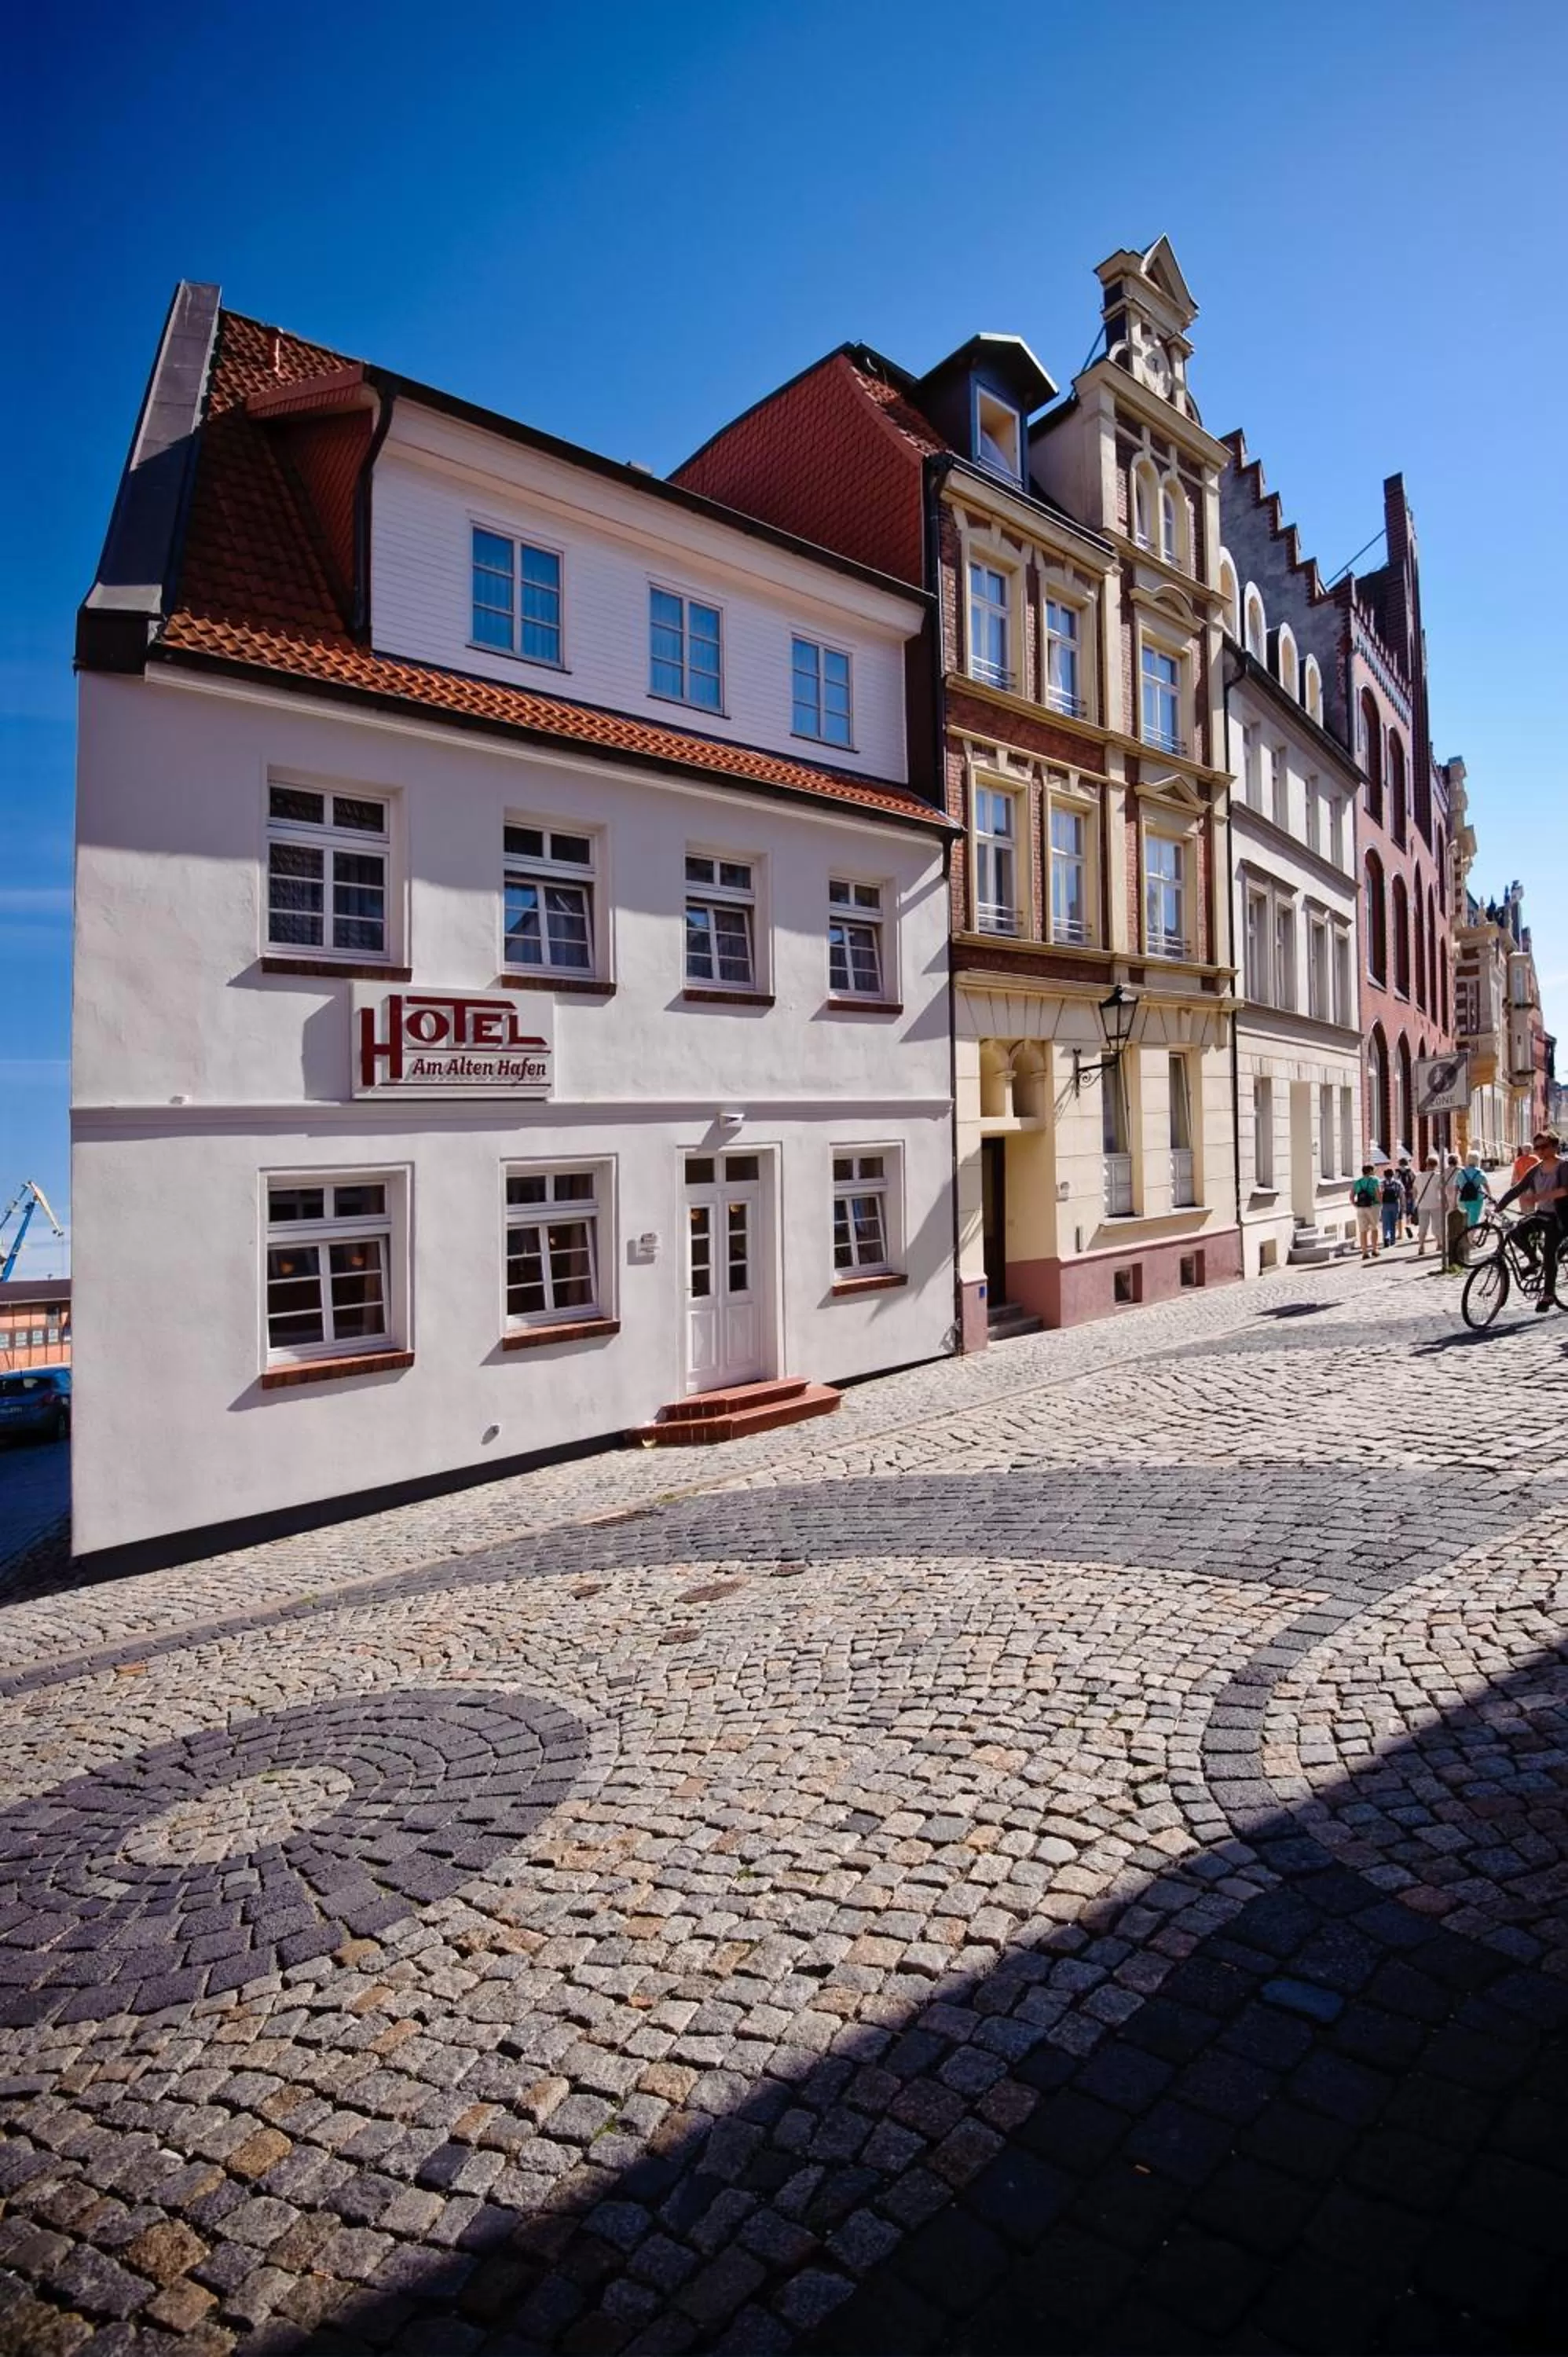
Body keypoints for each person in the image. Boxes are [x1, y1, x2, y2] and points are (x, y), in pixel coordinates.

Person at [1499, 1133, 1568, 1312]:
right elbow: (1518, 1188)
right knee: (1515, 1233)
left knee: (1550, 1253)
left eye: (1544, 1147)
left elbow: (1565, 1190)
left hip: (1560, 1218)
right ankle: (1533, 1260)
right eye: (1537, 1148)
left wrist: (1539, 1197)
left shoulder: (1563, 1166)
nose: (1540, 1151)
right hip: (1542, 1214)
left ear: (1554, 1147)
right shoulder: (1536, 1169)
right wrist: (1499, 1206)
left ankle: (1548, 1295)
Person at [1413, 1154, 1445, 1258]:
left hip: (1422, 1205)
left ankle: (1421, 1246)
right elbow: (1442, 1190)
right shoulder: (1438, 1176)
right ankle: (1439, 1243)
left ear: (1427, 1164)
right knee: (1437, 1225)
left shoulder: (1419, 1176)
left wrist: (1416, 1201)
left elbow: (1414, 1191)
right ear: (1436, 1165)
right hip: (1436, 1204)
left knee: (1423, 1226)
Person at [1351, 1164, 1383, 1259]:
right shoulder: (1375, 1180)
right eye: (1373, 1170)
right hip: (1373, 1206)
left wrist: (1356, 1205)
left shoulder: (1358, 1182)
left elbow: (1352, 1196)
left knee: (1363, 1230)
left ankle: (1364, 1252)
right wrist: (1380, 1203)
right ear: (1370, 1171)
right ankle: (1374, 1249)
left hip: (1361, 1208)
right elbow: (1378, 1193)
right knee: (1374, 1228)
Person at [1455, 1152, 1489, 1231]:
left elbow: (1456, 1187)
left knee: (1465, 1221)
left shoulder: (1461, 1173)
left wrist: (1454, 1201)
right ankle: (1470, 1237)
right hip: (1476, 1200)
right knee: (1473, 1223)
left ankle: (1465, 1235)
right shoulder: (1480, 1173)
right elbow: (1486, 1186)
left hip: (1463, 1200)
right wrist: (1490, 1196)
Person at [1379, 1164, 1403, 1250]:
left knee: (1386, 1223)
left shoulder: (1382, 1183)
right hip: (1395, 1204)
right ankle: (1392, 1240)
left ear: (1384, 1175)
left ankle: (1386, 1237)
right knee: (1393, 1223)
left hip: (1385, 1205)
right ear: (1393, 1175)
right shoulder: (1397, 1183)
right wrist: (1402, 1206)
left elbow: (1379, 1195)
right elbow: (1401, 1195)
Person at [1397, 1157, 1418, 1239]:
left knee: (1400, 1212)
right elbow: (1416, 1180)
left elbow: (1395, 1181)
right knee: (1409, 1211)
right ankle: (1408, 1224)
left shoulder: (1397, 1171)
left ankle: (1400, 1233)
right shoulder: (1411, 1171)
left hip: (1400, 1194)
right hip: (1409, 1193)